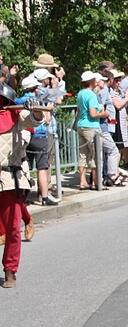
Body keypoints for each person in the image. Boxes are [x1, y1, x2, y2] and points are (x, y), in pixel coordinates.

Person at [0, 83, 44, 288]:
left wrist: (34, 110)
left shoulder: (17, 117)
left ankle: (10, 269)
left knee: (12, 229)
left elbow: (34, 119)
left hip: (9, 180)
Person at [18, 76, 57, 205]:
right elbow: (46, 119)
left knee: (25, 166)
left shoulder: (18, 100)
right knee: (42, 167)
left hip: (25, 135)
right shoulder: (38, 100)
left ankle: (25, 197)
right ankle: (44, 197)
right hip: (39, 135)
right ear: (35, 88)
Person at [76, 71, 109, 190]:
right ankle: (96, 182)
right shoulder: (91, 95)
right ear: (91, 82)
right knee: (96, 155)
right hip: (91, 127)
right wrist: (104, 114)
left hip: (81, 125)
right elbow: (93, 113)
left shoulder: (80, 93)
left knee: (83, 155)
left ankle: (82, 181)